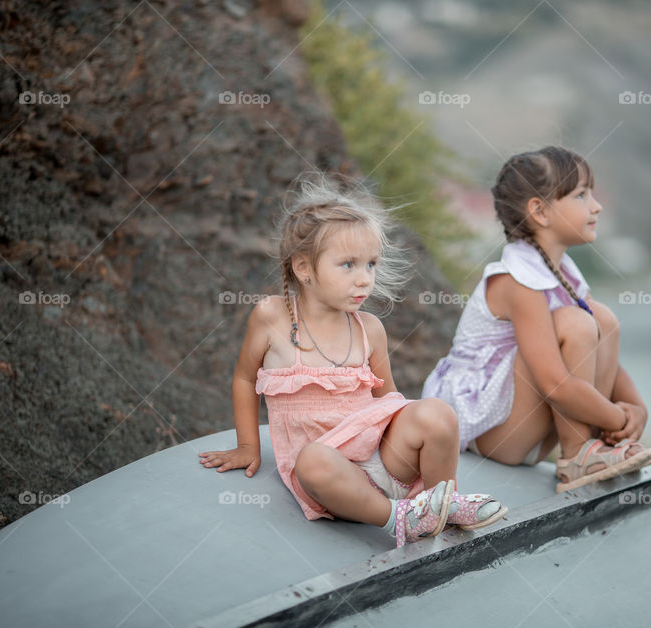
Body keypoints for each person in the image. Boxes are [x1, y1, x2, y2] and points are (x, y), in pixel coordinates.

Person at [200, 176, 506, 547]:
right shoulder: (273, 317)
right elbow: (245, 380)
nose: (365, 279)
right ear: (304, 267)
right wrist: (248, 446)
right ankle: (399, 518)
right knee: (311, 460)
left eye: (371, 264)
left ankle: (441, 502)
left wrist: (417, 431)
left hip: (386, 462)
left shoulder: (370, 330)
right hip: (332, 475)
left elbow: (389, 402)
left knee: (436, 413)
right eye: (348, 265)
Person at [423, 146, 651, 493]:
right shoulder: (516, 281)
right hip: (489, 430)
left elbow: (599, 346)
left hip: (524, 422)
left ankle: (594, 447)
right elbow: (555, 385)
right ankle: (578, 455)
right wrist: (617, 417)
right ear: (540, 211)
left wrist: (638, 408)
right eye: (581, 195)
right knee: (577, 323)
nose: (596, 206)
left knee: (601, 319)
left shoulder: (564, 273)